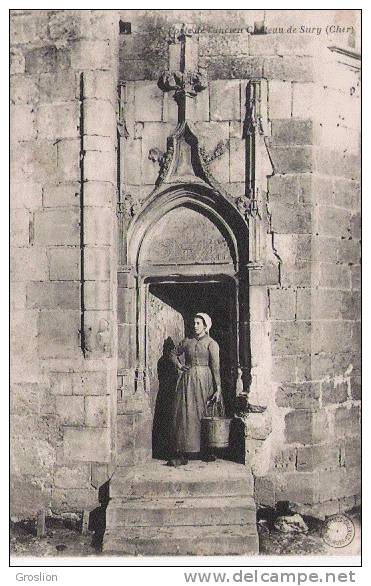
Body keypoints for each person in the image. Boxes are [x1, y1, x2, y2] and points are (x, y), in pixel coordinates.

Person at [167, 312, 223, 466]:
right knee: (186, 414)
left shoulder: (212, 343)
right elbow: (172, 353)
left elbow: (216, 368)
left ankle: (207, 450)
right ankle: (183, 452)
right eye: (194, 323)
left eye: (198, 323)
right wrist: (179, 365)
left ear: (205, 326)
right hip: (188, 382)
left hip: (205, 381)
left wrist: (218, 388)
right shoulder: (188, 341)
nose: (195, 326)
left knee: (203, 413)